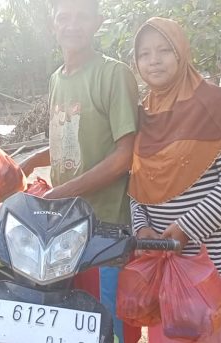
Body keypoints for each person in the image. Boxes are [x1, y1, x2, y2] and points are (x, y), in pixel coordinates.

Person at [129, 17, 221, 342]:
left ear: (181, 53)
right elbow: (135, 183)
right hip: (162, 264)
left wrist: (186, 229)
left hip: (214, 266)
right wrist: (141, 228)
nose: (154, 60)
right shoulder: (143, 112)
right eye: (144, 54)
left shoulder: (211, 102)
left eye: (164, 50)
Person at [19, 0, 141, 342]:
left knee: (113, 326)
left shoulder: (114, 74)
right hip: (65, 229)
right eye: (64, 17)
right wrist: (25, 164)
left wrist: (59, 194)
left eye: (81, 17)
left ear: (97, 23)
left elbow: (124, 156)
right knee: (73, 325)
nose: (72, 25)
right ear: (52, 24)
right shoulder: (56, 78)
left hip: (107, 231)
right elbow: (67, 137)